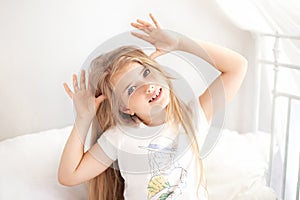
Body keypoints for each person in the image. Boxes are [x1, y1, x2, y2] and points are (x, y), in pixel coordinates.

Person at [58, 13, 248, 200]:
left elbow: (238, 66)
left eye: (146, 72)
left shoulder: (192, 117)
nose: (147, 87)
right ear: (125, 108)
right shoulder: (119, 137)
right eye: (131, 89)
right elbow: (69, 175)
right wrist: (83, 119)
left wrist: (180, 43)